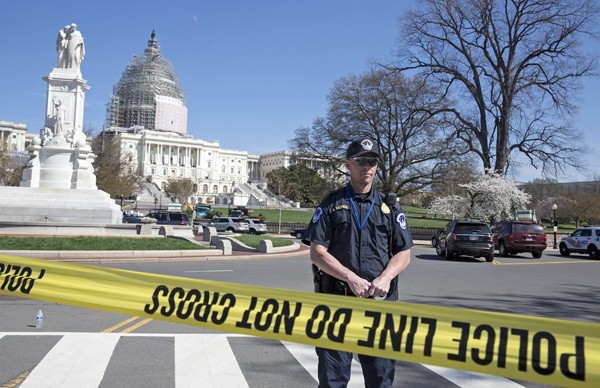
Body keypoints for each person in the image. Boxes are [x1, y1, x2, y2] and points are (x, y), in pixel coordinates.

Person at [303, 136, 413, 388]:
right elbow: (317, 252)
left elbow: (403, 253)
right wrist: (350, 278)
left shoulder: (389, 206)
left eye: (373, 162)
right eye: (362, 161)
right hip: (337, 305)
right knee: (333, 381)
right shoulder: (332, 203)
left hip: (379, 308)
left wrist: (385, 278)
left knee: (381, 379)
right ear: (348, 165)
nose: (368, 167)